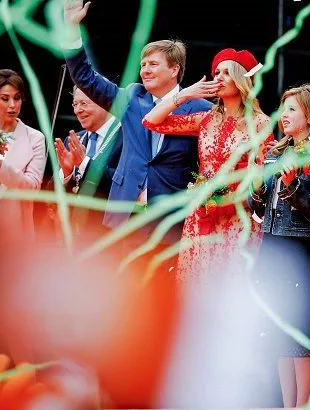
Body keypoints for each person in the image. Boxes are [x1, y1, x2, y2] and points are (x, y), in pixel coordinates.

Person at [62, 0, 213, 271]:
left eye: (153, 64)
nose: (145, 70)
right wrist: (71, 30)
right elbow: (85, 77)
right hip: (125, 215)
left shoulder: (201, 108)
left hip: (168, 220)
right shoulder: (132, 97)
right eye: (143, 64)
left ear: (175, 69)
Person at [142, 48, 273, 283]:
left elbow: (263, 178)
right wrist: (184, 95)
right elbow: (151, 121)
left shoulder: (260, 123)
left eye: (226, 73)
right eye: (216, 73)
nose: (218, 78)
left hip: (237, 216)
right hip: (201, 215)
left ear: (242, 79)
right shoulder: (206, 118)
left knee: (229, 288)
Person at [247, 84, 310, 408]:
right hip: (273, 247)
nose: (284, 116)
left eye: (292, 109)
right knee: (279, 333)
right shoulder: (274, 153)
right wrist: (256, 187)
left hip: (301, 250)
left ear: (309, 115)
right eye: (283, 109)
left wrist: (291, 184)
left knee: (301, 335)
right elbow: (258, 210)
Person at [52, 85, 123, 244]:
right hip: (71, 237)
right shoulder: (74, 140)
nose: (78, 110)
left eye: (84, 103)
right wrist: (66, 172)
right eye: (75, 105)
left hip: (109, 239)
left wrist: (85, 163)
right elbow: (52, 191)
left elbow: (124, 183)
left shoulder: (126, 137)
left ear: (105, 101)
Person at [0, 69, 47, 243]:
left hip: (13, 235)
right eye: (5, 98)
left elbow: (32, 188)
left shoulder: (35, 139)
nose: (12, 105)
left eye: (17, 98)